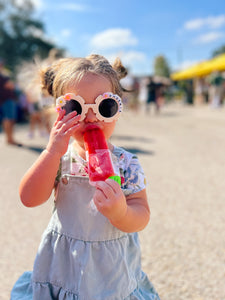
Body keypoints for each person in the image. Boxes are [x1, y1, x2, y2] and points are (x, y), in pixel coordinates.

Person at [11, 54, 160, 300]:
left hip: (110, 272)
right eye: (75, 108)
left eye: (104, 106)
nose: (91, 117)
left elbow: (142, 214)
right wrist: (51, 152)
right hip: (63, 265)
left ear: (118, 109)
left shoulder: (126, 164)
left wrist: (121, 213)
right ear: (59, 111)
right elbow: (29, 198)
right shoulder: (59, 159)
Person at [0, 61, 21, 145]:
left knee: (8, 118)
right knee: (9, 119)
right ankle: (10, 139)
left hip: (5, 100)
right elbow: (10, 85)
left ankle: (10, 138)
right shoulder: (2, 76)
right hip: (7, 100)